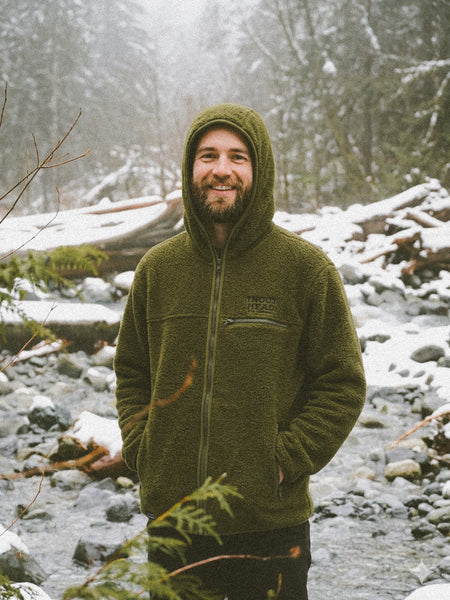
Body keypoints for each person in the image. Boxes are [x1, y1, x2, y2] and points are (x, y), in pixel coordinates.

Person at [114, 103, 366, 599]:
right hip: (174, 524)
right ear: (190, 169)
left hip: (270, 526)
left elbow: (342, 383)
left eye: (238, 156)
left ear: (259, 169)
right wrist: (144, 449)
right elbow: (132, 371)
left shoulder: (304, 268)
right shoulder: (158, 270)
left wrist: (284, 459)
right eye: (208, 156)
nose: (221, 170)